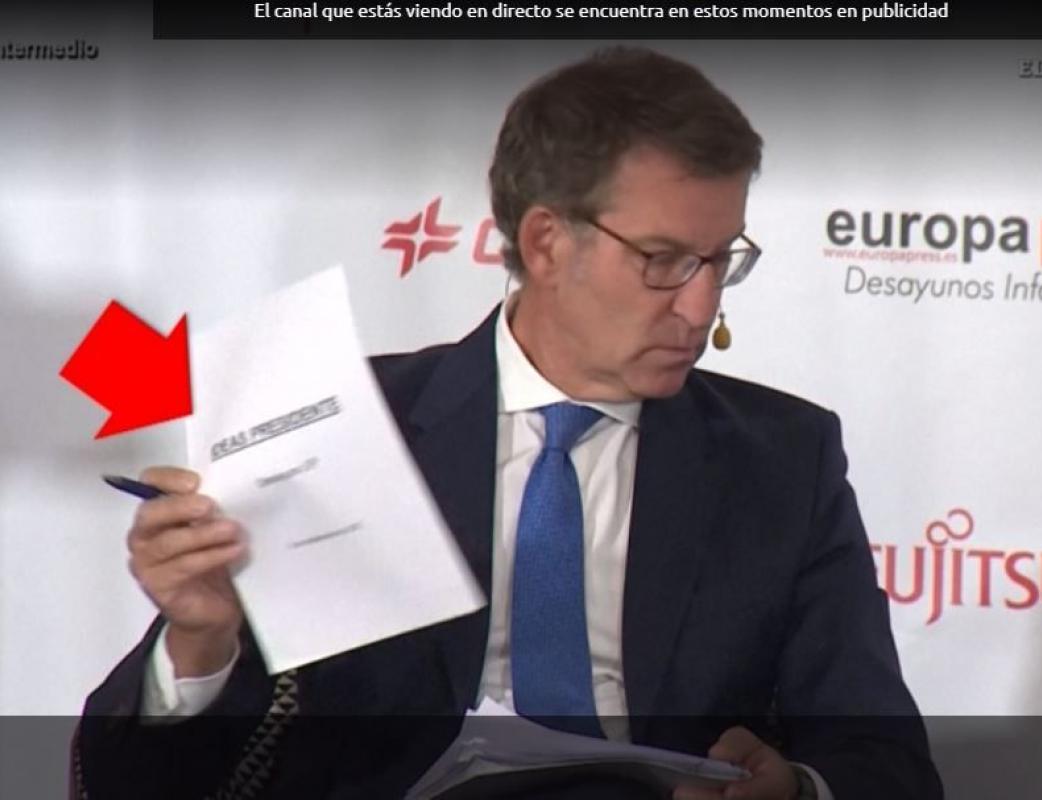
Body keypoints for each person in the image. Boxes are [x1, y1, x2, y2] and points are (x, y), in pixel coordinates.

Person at [75, 47, 942, 800]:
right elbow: (140, 784)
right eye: (665, 260)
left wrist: (795, 789)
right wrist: (200, 644)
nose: (701, 304)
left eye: (721, 261)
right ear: (546, 242)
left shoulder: (783, 457)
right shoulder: (343, 425)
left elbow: (885, 761)